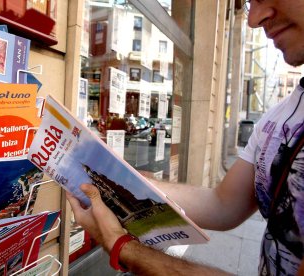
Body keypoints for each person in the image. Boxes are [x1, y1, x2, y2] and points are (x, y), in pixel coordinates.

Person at [66, 1, 304, 275]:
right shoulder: (280, 116)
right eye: (251, 2)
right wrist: (120, 178)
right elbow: (223, 205)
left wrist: (122, 246)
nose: (255, 19)